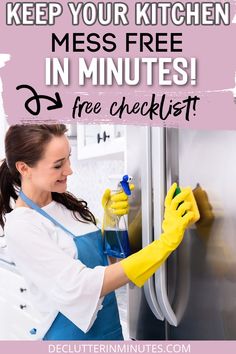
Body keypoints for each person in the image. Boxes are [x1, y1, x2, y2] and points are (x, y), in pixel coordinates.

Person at [0, 124, 199, 340]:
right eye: (58, 165)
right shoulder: (22, 225)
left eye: (68, 158)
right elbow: (81, 287)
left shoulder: (65, 205)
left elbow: (106, 263)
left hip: (110, 334)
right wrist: (164, 243)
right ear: (24, 168)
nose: (69, 170)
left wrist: (112, 223)